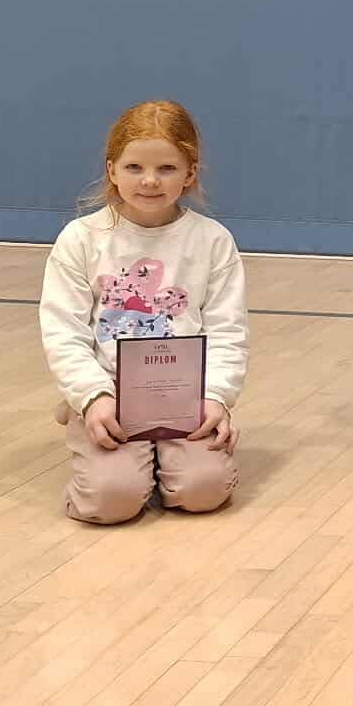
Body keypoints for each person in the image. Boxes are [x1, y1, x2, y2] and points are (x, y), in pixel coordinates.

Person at [39, 100, 246, 524]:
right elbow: (63, 331)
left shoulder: (213, 241)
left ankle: (165, 462)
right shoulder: (81, 238)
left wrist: (215, 398)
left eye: (167, 168)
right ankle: (87, 425)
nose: (150, 180)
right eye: (134, 167)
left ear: (190, 173)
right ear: (112, 170)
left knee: (203, 491)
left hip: (184, 395)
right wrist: (92, 396)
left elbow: (228, 330)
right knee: (111, 500)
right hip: (110, 395)